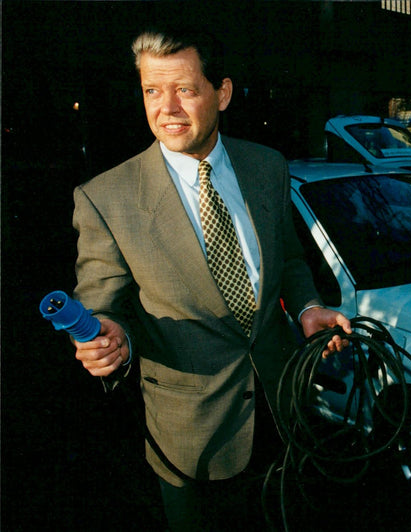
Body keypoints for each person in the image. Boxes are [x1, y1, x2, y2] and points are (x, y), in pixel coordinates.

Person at [71, 26, 351, 531]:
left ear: (220, 93)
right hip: (190, 436)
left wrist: (309, 308)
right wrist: (110, 340)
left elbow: (287, 259)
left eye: (185, 89)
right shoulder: (105, 197)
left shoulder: (267, 166)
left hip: (281, 406)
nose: (168, 109)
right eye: (153, 91)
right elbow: (102, 307)